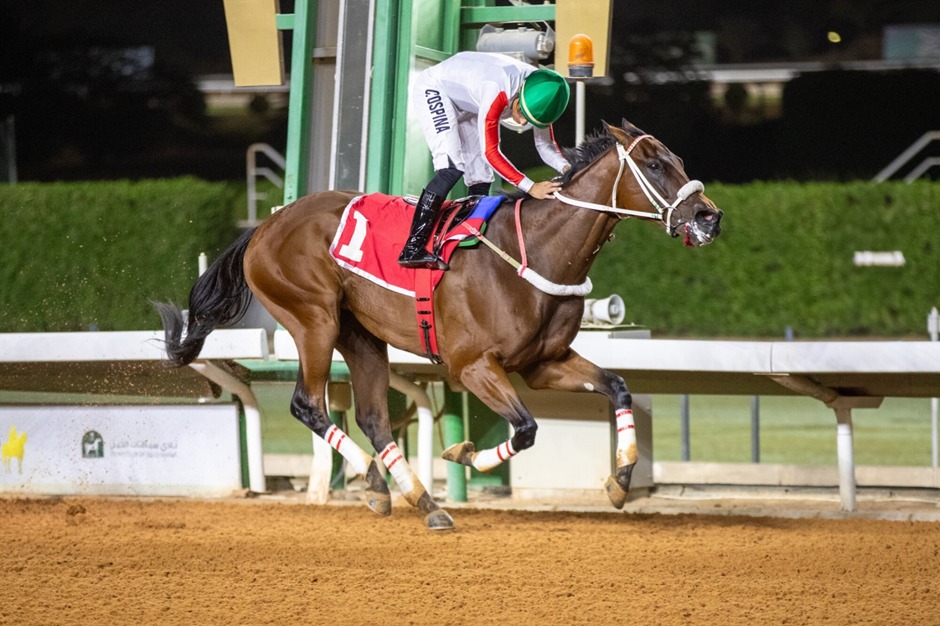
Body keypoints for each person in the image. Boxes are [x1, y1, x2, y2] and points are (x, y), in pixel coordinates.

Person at [399, 51, 572, 270]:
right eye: (520, 112)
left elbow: (544, 146)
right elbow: (491, 153)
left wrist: (568, 168)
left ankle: (468, 236)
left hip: (469, 100)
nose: (521, 121)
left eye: (529, 120)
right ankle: (412, 247)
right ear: (519, 91)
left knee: (481, 177)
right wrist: (530, 187)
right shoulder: (497, 89)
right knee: (451, 167)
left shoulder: (542, 94)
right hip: (436, 89)